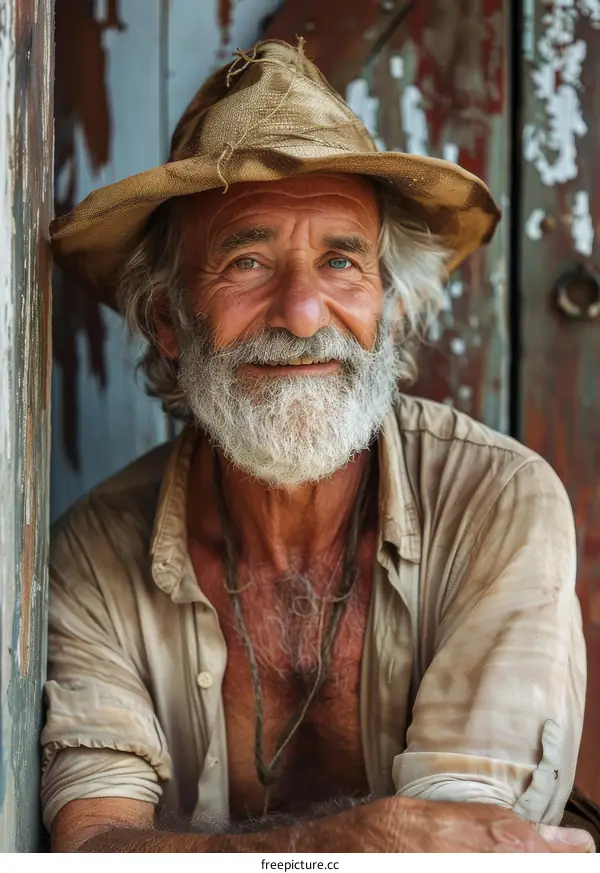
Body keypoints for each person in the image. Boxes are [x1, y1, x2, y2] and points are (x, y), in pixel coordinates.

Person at [44, 39, 592, 853]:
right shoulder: (94, 552)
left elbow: (466, 853)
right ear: (167, 320)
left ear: (389, 309)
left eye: (341, 260)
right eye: (248, 260)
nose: (302, 313)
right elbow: (93, 848)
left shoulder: (497, 501)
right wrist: (369, 840)